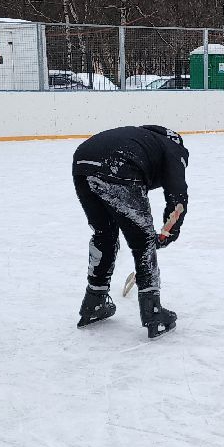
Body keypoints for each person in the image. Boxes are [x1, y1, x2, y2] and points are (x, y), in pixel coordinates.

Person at [72, 125, 188, 338]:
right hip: (118, 164)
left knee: (103, 234)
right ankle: (153, 313)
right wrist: (168, 232)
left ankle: (94, 303)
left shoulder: (145, 138)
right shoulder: (174, 148)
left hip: (82, 162)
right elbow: (177, 196)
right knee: (143, 241)